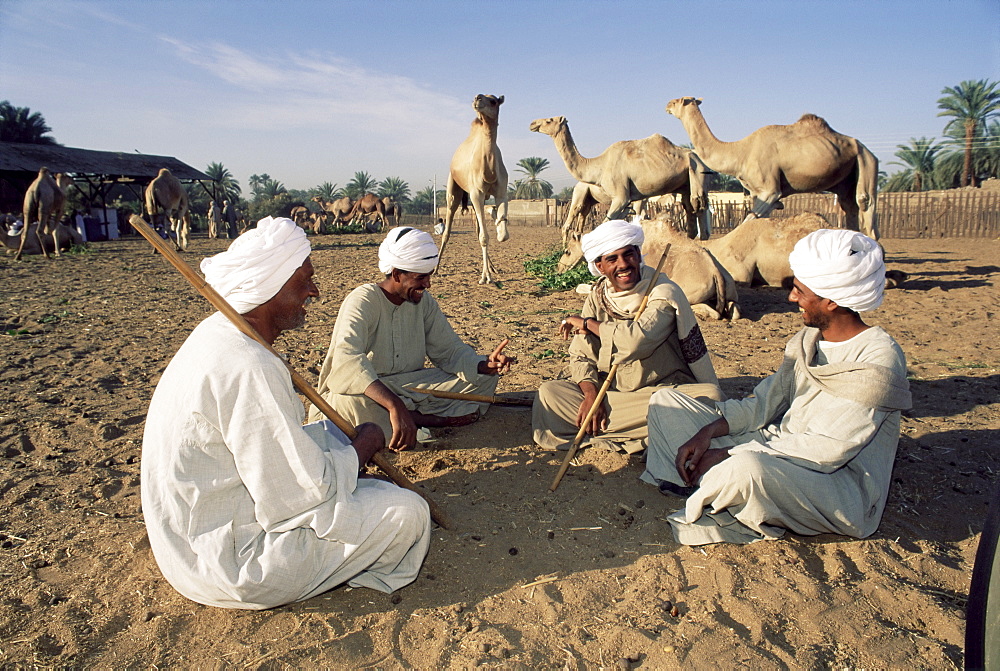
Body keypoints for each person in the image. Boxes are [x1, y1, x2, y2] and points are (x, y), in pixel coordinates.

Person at [141, 216, 431, 610]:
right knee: (406, 512)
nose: (314, 291)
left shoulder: (216, 335)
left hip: (189, 545)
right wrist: (363, 448)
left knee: (330, 435)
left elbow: (267, 452)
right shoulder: (249, 365)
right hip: (233, 565)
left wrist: (342, 444)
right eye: (305, 280)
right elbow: (302, 498)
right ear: (270, 287)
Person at [642, 229, 912, 546]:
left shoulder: (879, 359)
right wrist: (708, 433)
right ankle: (716, 484)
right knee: (666, 403)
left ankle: (717, 484)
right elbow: (763, 405)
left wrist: (726, 453)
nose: (791, 298)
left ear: (831, 300)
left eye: (800, 291)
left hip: (834, 483)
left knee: (746, 469)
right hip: (775, 447)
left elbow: (827, 450)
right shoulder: (807, 341)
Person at [309, 226, 515, 451]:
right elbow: (346, 361)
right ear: (397, 274)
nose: (427, 285)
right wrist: (393, 403)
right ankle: (425, 420)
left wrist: (482, 365)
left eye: (429, 276)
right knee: (346, 404)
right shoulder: (363, 300)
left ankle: (409, 418)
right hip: (368, 391)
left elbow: (448, 350)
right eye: (421, 278)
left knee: (482, 380)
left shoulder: (424, 302)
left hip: (409, 387)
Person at [532, 219, 723, 454]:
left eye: (629, 255)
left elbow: (635, 341)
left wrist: (587, 323)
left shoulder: (662, 292)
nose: (623, 265)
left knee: (709, 398)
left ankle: (616, 430)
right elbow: (581, 356)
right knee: (550, 394)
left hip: (660, 393)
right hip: (614, 397)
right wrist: (592, 395)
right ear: (600, 267)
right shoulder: (598, 297)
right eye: (612, 259)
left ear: (639, 255)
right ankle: (644, 430)